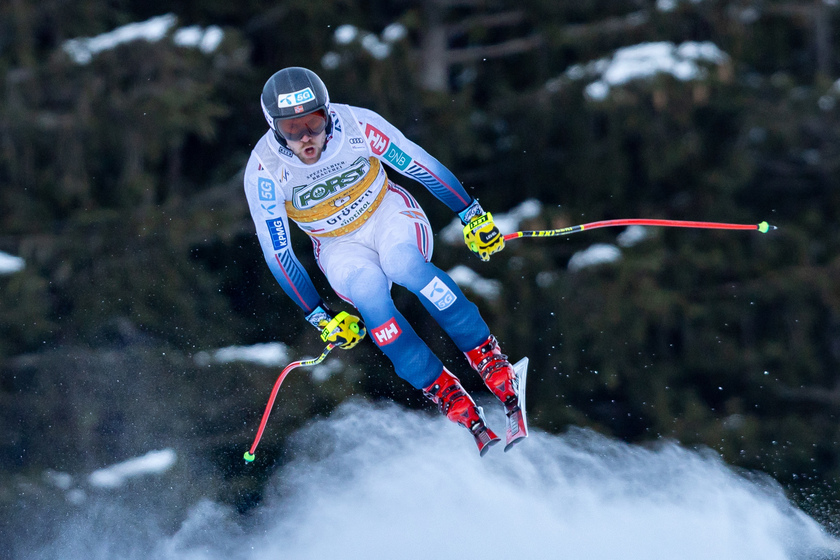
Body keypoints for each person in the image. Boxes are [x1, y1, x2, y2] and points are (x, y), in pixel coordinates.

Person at [243, 67, 526, 455]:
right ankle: (445, 392)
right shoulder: (264, 171)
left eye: (315, 122)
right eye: (293, 129)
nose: (308, 138)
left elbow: (421, 165)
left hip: (387, 214)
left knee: (403, 265)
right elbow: (279, 254)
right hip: (338, 244)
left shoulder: (357, 125)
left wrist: (471, 213)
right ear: (274, 127)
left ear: (328, 113)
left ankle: (492, 363)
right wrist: (320, 316)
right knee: (371, 301)